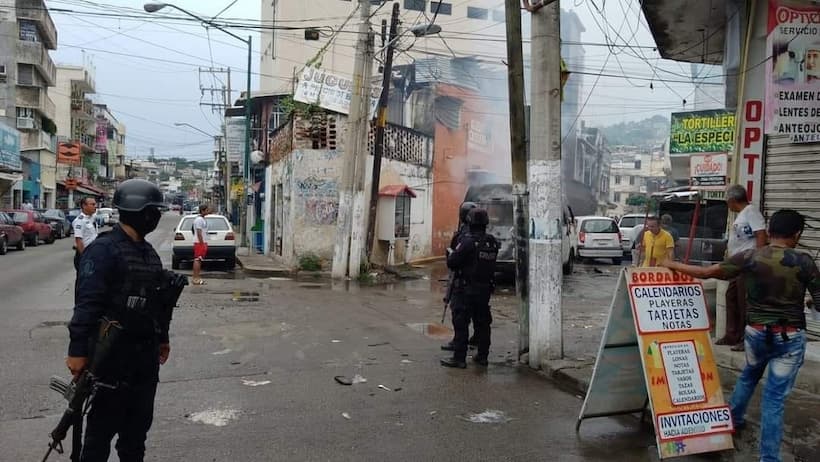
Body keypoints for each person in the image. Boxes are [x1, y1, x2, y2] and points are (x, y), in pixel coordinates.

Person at [662, 209, 819, 462]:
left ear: (769, 232)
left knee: (749, 375)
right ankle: (768, 458)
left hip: (755, 334)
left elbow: (706, 273)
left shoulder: (749, 256)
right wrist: (808, 301)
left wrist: (670, 264)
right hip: (789, 339)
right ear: (797, 234)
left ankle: (732, 420)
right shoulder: (805, 261)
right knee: (774, 398)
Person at [66, 179, 176, 462]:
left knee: (135, 437)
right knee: (98, 438)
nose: (157, 216)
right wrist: (78, 350)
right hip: (110, 362)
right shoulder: (104, 250)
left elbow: (156, 303)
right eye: (154, 211)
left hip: (143, 362)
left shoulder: (148, 254)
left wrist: (162, 338)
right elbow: (87, 304)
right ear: (141, 212)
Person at [441, 208, 499, 369]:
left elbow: (452, 262)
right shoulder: (492, 242)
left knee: (461, 323)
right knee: (482, 324)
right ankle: (482, 356)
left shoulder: (467, 242)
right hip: (484, 290)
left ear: (470, 222)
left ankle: (459, 358)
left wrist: (451, 253)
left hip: (466, 290)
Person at [722, 184, 768, 351]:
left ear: (733, 200)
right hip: (737, 263)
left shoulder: (751, 212)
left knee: (744, 301)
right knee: (731, 296)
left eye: (727, 201)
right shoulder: (741, 215)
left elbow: (761, 234)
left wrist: (759, 259)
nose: (727, 204)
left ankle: (745, 338)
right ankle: (731, 334)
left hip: (748, 262)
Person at [441, 202, 477, 352]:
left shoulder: (465, 236)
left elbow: (454, 260)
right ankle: (476, 345)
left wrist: (450, 256)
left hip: (463, 280)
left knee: (460, 317)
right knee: (475, 316)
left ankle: (459, 349)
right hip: (478, 282)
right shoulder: (482, 235)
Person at [73, 197, 99, 271]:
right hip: (84, 254)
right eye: (92, 204)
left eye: (95, 204)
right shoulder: (80, 221)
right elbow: (78, 240)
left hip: (93, 253)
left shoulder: (91, 218)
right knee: (83, 279)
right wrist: (85, 257)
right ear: (84, 206)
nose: (95, 206)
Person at [192, 204, 210, 285]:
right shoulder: (199, 220)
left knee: (199, 260)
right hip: (199, 243)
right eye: (206, 210)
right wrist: (202, 243)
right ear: (202, 211)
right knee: (197, 260)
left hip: (202, 242)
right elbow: (199, 232)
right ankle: (195, 278)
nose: (207, 211)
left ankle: (197, 277)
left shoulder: (202, 219)